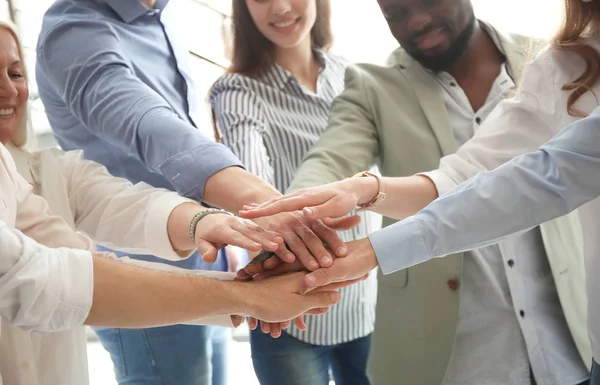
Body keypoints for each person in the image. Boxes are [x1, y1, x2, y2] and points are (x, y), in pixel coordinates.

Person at [238, 0, 593, 384]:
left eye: (427, 1)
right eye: (395, 13)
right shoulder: (373, 84)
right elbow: (334, 160)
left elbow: (541, 179)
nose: (418, 21)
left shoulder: (543, 58)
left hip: (570, 342)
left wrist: (370, 243)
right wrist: (299, 220)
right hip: (451, 358)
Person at [34, 1, 350, 384]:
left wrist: (237, 235)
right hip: (139, 275)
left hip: (206, 261)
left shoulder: (158, 17)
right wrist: (268, 206)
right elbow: (147, 123)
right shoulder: (75, 32)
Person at [209, 0, 379, 384]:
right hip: (289, 309)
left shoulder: (350, 74)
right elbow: (256, 204)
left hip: (363, 299)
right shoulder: (238, 91)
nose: (281, 7)